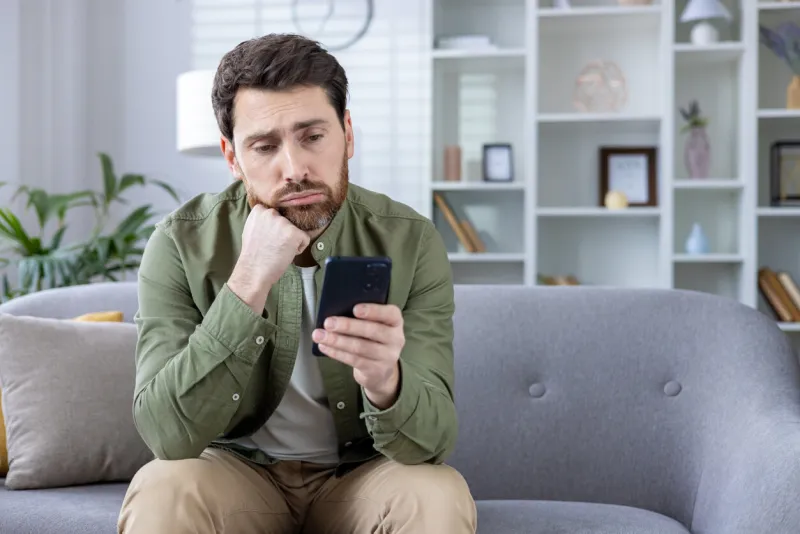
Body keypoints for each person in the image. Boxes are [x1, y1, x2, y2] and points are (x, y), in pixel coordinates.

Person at [117, 32, 477, 534]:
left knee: (436, 494)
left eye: (312, 136)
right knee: (165, 488)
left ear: (347, 134)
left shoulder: (411, 240)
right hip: (237, 473)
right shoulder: (180, 243)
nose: (295, 169)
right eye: (264, 146)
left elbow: (434, 442)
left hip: (361, 477)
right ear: (231, 156)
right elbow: (166, 436)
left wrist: (386, 382)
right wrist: (247, 282)